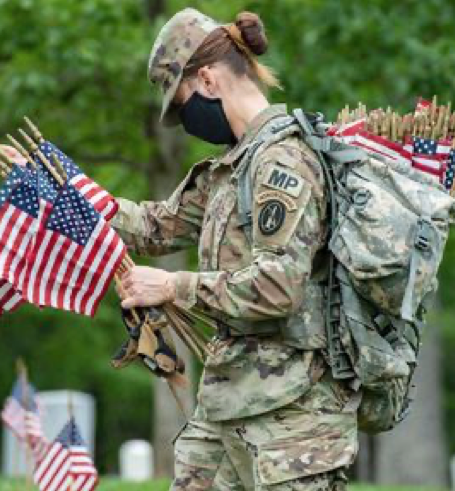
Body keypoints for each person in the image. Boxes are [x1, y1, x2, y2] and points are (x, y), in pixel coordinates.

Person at [113, 8, 359, 490]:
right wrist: (56, 189)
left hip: (291, 424)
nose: (185, 122)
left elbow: (278, 287)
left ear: (207, 79)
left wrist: (173, 286)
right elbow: (154, 227)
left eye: (182, 106)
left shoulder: (282, 161)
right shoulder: (231, 169)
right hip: (229, 404)